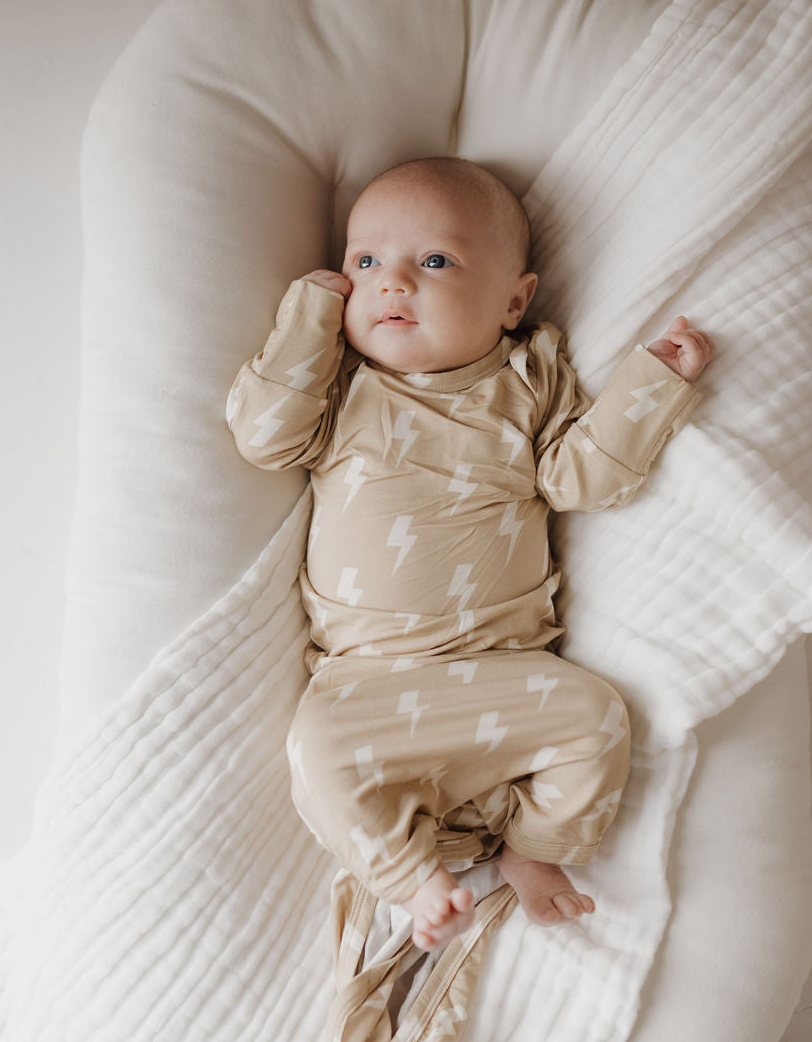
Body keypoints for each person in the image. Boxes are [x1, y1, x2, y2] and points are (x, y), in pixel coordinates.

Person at [226, 157, 714, 952]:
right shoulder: (342, 386)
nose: (392, 284)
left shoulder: (526, 379)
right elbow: (263, 436)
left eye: (435, 261)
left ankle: (533, 851)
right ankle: (415, 880)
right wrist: (311, 316)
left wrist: (650, 385)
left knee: (598, 719)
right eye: (365, 262)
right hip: (368, 681)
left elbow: (582, 478)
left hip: (501, 665)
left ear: (514, 300)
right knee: (314, 748)